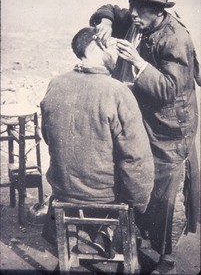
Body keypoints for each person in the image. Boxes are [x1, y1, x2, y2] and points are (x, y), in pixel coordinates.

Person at [89, 0, 200, 274]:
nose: (133, 13)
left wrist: (139, 63)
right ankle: (128, 233)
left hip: (170, 127)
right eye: (132, 5)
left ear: (158, 9)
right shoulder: (137, 19)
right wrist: (107, 21)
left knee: (163, 191)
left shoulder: (176, 37)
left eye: (139, 8)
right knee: (130, 172)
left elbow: (170, 90)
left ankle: (166, 256)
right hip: (144, 118)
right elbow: (111, 8)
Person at [40, 26, 154, 260]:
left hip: (62, 190)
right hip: (103, 197)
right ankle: (107, 234)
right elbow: (137, 158)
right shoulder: (117, 91)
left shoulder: (55, 83)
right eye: (111, 46)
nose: (115, 54)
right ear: (99, 46)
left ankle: (90, 234)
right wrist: (138, 205)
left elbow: (47, 136)